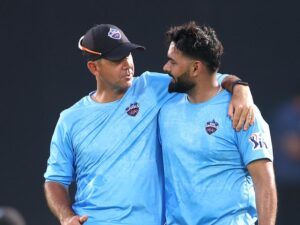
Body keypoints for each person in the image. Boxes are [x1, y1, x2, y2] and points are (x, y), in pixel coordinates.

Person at [44, 24, 255, 225]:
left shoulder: (153, 88)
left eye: (128, 54)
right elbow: (55, 180)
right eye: (117, 59)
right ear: (93, 67)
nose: (127, 63)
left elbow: (204, 77)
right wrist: (66, 216)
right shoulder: (70, 119)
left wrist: (239, 87)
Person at [158, 21, 277, 225]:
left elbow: (264, 183)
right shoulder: (165, 108)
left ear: (195, 68)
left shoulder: (241, 111)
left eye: (173, 62)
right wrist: (238, 84)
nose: (165, 67)